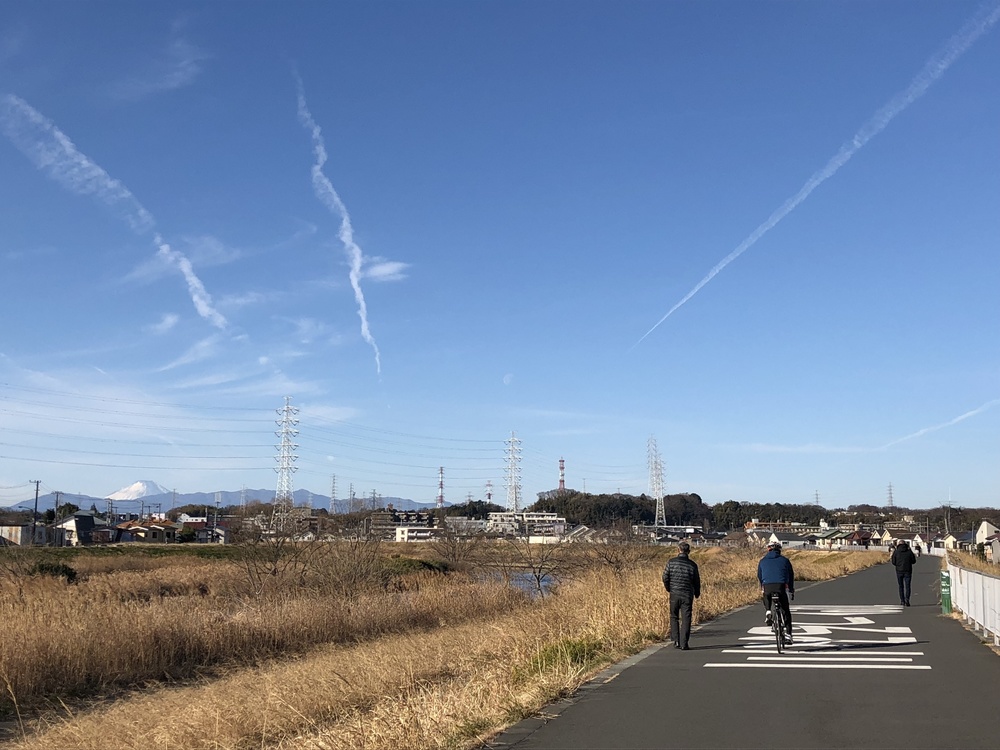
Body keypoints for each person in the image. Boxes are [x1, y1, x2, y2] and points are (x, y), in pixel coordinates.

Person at [661, 541, 701, 650]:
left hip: (674, 593)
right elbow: (696, 581)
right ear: (689, 551)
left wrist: (669, 588)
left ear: (678, 550)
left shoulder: (671, 562)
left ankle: (676, 641)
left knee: (674, 616)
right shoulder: (692, 565)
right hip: (687, 594)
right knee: (686, 618)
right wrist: (697, 593)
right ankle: (684, 643)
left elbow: (665, 577)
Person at [757, 541, 795, 644]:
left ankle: (768, 611)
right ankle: (788, 634)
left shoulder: (762, 561)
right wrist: (791, 590)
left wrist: (762, 586)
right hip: (780, 586)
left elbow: (760, 576)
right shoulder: (785, 560)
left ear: (768, 549)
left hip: (767, 586)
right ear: (779, 550)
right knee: (785, 610)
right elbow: (790, 576)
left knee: (766, 594)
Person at [890, 539, 917, 606]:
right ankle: (907, 600)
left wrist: (898, 565)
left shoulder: (896, 552)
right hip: (908, 570)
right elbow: (913, 561)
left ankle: (902, 601)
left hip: (899, 571)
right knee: (908, 586)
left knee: (900, 586)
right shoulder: (909, 552)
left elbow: (893, 562)